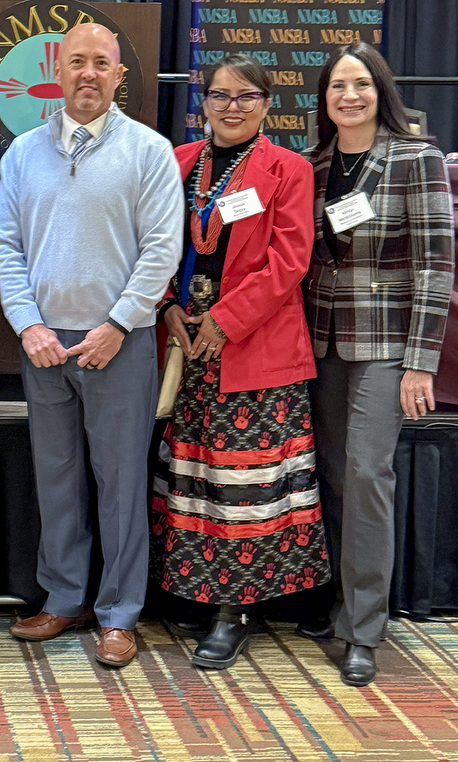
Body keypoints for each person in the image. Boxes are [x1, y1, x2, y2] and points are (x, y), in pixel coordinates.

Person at [0, 22, 184, 668]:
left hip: (119, 345)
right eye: (77, 62)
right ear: (59, 71)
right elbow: (6, 246)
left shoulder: (150, 151)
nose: (89, 74)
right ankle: (64, 597)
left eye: (102, 63)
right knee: (57, 479)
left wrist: (119, 324)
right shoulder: (22, 153)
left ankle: (120, 614)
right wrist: (28, 324)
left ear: (119, 75)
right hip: (44, 346)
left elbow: (162, 249)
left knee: (121, 483)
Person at [151, 53, 329, 669]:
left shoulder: (289, 169)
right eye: (221, 95)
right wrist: (166, 307)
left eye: (247, 96)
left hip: (253, 343)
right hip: (184, 338)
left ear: (267, 104)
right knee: (196, 473)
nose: (232, 107)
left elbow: (289, 262)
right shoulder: (177, 162)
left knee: (243, 484)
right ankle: (195, 593)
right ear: (203, 102)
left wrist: (224, 322)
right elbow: (153, 245)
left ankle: (235, 609)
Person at [305, 42, 454, 686]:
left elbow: (436, 266)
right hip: (321, 342)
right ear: (324, 98)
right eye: (338, 85)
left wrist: (421, 363)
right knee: (337, 479)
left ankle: (365, 628)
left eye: (361, 84)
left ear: (381, 92)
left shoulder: (415, 159)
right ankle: (340, 604)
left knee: (369, 474)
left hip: (386, 346)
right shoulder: (313, 164)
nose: (350, 96)